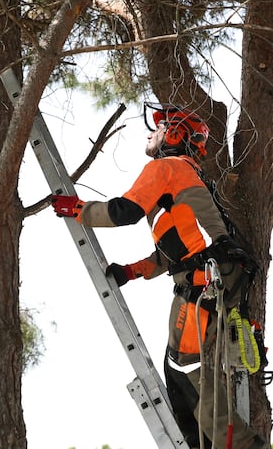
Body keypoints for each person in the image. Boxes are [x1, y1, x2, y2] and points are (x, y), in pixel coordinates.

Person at [51, 104, 266, 449]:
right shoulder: (187, 177)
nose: (149, 134)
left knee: (184, 370)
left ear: (174, 135)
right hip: (211, 276)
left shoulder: (165, 168)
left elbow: (124, 211)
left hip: (202, 283)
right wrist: (131, 272)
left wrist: (78, 210)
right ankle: (208, 442)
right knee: (181, 370)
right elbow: (174, 252)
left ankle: (241, 445)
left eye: (157, 128)